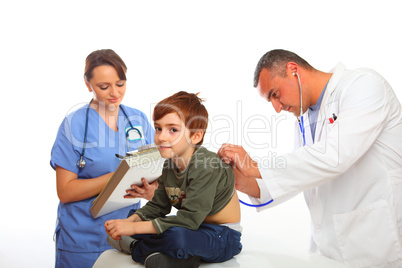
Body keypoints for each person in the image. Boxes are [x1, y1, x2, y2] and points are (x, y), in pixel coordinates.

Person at [218, 49, 402, 268]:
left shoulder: (364, 85)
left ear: (293, 70)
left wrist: (254, 166)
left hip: (374, 240)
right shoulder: (305, 117)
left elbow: (335, 156)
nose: (277, 108)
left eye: (275, 94)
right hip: (327, 247)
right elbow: (303, 173)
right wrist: (240, 181)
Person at [105, 91, 242, 268]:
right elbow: (158, 206)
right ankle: (178, 257)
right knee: (135, 218)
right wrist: (129, 222)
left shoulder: (206, 165)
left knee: (178, 237)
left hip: (222, 235)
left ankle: (135, 247)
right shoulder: (169, 164)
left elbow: (188, 221)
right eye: (158, 128)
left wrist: (132, 230)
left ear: (196, 136)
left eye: (173, 130)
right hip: (194, 229)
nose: (162, 137)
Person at [50, 49, 157, 268]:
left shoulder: (137, 119)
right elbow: (65, 191)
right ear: (88, 85)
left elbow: (156, 171)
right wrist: (116, 177)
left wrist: (151, 190)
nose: (114, 93)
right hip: (82, 239)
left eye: (120, 83)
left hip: (128, 236)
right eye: (104, 87)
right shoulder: (74, 125)